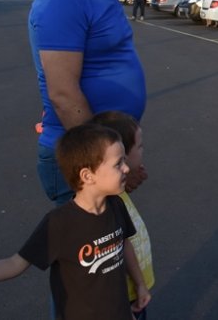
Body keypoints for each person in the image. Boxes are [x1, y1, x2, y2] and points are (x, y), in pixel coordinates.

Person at [0, 123, 151, 319]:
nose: (127, 168)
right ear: (87, 175)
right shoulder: (59, 224)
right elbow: (15, 263)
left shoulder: (116, 205)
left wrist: (140, 285)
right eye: (118, 163)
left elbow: (124, 243)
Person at [28, 0, 147, 206]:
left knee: (111, 252)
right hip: (83, 163)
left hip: (103, 155)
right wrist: (109, 166)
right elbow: (64, 95)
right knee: (89, 253)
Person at [93, 111, 154, 320]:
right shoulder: (104, 207)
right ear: (122, 156)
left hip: (135, 291)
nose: (143, 150)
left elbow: (125, 240)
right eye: (140, 146)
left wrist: (140, 284)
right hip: (121, 300)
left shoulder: (115, 192)